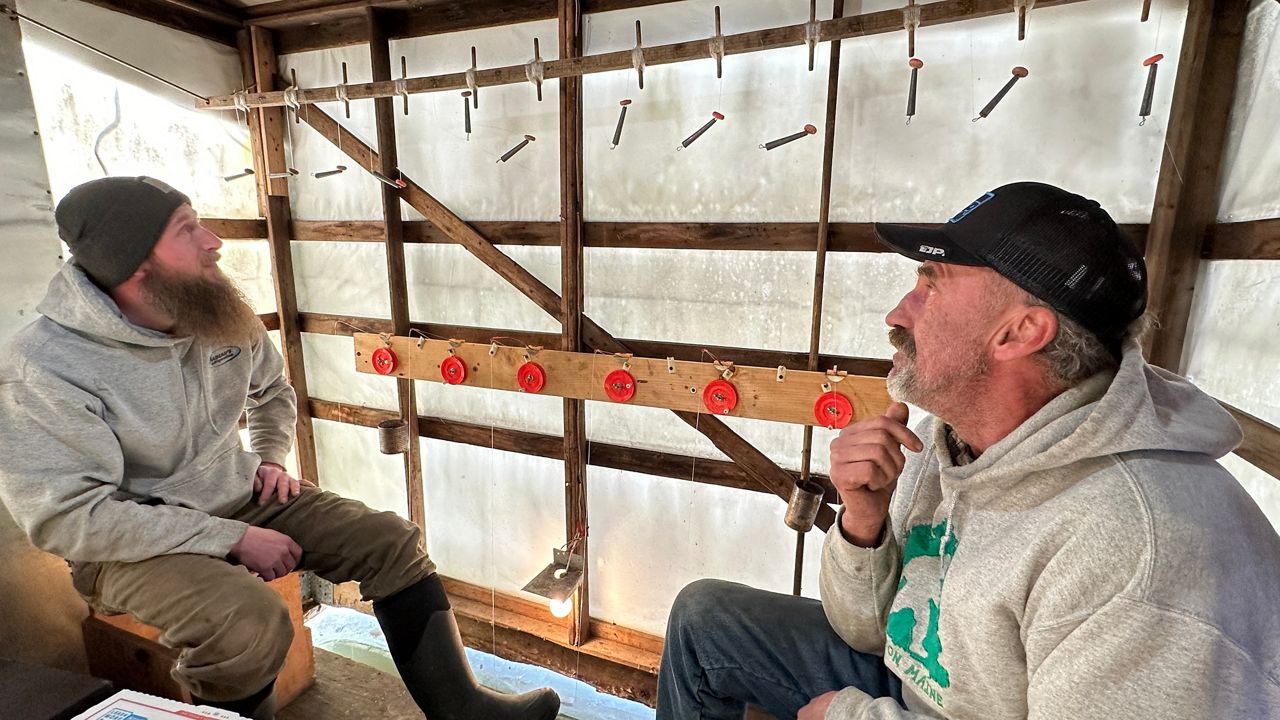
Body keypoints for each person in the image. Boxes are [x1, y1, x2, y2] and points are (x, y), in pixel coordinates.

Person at [656, 181, 1280, 719]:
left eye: (932, 282)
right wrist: (863, 522)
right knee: (707, 619)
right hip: (932, 692)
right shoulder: (945, 440)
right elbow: (871, 633)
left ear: (1021, 331)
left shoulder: (1140, 548)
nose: (897, 313)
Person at [0, 176, 561, 720]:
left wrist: (270, 456)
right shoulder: (45, 365)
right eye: (187, 229)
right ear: (135, 260)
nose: (213, 241)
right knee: (247, 622)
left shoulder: (214, 308)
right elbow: (66, 519)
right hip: (125, 542)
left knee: (390, 542)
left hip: (237, 495)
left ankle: (465, 710)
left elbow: (272, 391)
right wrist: (232, 537)